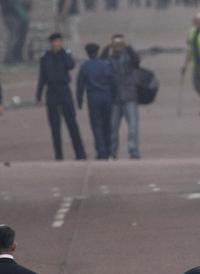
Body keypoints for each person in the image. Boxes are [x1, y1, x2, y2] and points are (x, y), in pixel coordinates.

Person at [36, 32, 87, 161]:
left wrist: (65, 52)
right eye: (55, 41)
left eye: (59, 41)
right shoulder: (45, 57)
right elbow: (42, 77)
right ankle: (58, 155)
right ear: (51, 43)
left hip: (64, 90)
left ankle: (80, 153)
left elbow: (71, 65)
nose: (57, 44)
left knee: (72, 124)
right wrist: (38, 94)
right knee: (55, 126)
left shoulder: (65, 54)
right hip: (52, 92)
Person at [102, 34, 141, 159]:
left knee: (133, 127)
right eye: (116, 44)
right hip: (115, 99)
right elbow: (100, 62)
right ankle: (112, 152)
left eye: (120, 44)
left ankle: (133, 151)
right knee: (113, 128)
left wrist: (129, 47)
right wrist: (106, 48)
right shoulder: (109, 59)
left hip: (130, 97)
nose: (118, 47)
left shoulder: (128, 57)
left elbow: (137, 61)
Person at [77, 43, 115, 160]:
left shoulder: (85, 66)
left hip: (93, 98)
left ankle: (101, 151)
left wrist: (79, 101)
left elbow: (80, 86)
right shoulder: (106, 65)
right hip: (106, 96)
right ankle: (108, 150)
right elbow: (112, 81)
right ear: (97, 52)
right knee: (107, 125)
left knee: (96, 126)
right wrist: (114, 96)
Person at [1, 0, 31, 65]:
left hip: (23, 17)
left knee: (21, 38)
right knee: (14, 36)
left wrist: (27, 3)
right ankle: (9, 58)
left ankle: (18, 57)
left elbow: (27, 5)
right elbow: (7, 4)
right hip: (11, 15)